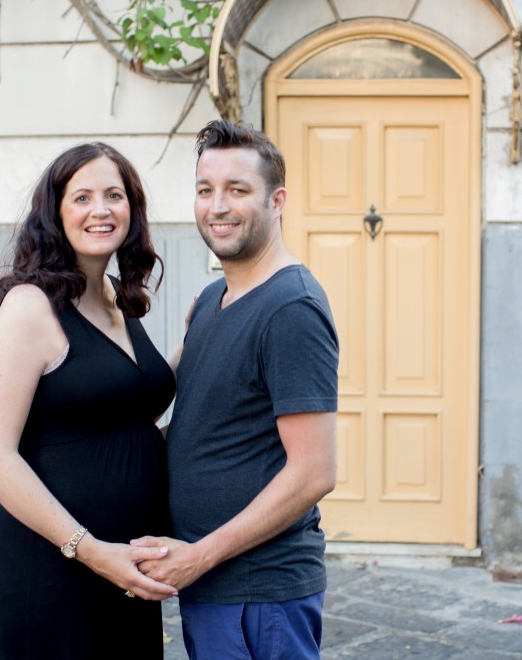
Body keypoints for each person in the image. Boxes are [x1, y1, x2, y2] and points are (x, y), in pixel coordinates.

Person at [134, 120, 340, 659]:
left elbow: (314, 472)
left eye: (237, 189)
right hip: (212, 586)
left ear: (277, 201)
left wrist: (200, 556)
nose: (218, 206)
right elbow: (195, 424)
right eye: (205, 190)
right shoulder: (211, 299)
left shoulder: (291, 309)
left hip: (258, 592)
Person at [0, 142, 178, 659]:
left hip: (125, 566)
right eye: (82, 197)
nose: (100, 210)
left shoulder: (115, 296)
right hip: (55, 573)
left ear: (132, 208)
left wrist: (203, 339)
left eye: (114, 195)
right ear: (55, 212)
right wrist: (90, 551)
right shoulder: (29, 306)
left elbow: (119, 412)